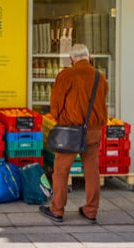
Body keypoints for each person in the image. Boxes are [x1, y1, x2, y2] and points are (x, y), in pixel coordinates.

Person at [40, 44, 108, 224]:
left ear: (72, 59)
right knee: (92, 171)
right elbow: (102, 103)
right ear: (89, 57)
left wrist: (60, 119)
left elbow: (55, 104)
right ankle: (91, 210)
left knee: (61, 171)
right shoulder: (99, 77)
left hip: (70, 131)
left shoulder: (66, 75)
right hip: (93, 130)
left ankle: (57, 210)